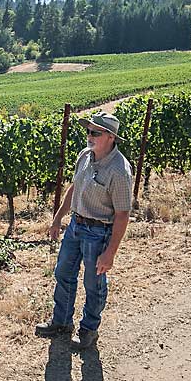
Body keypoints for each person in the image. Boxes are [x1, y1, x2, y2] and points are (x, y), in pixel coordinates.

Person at [35, 111, 133, 350]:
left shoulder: (120, 171)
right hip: (76, 227)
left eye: (95, 133)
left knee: (93, 284)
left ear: (111, 137)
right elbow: (74, 188)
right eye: (88, 131)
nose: (89, 136)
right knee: (63, 274)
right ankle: (61, 323)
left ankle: (89, 330)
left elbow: (122, 214)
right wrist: (58, 218)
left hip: (98, 233)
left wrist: (110, 253)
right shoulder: (85, 156)